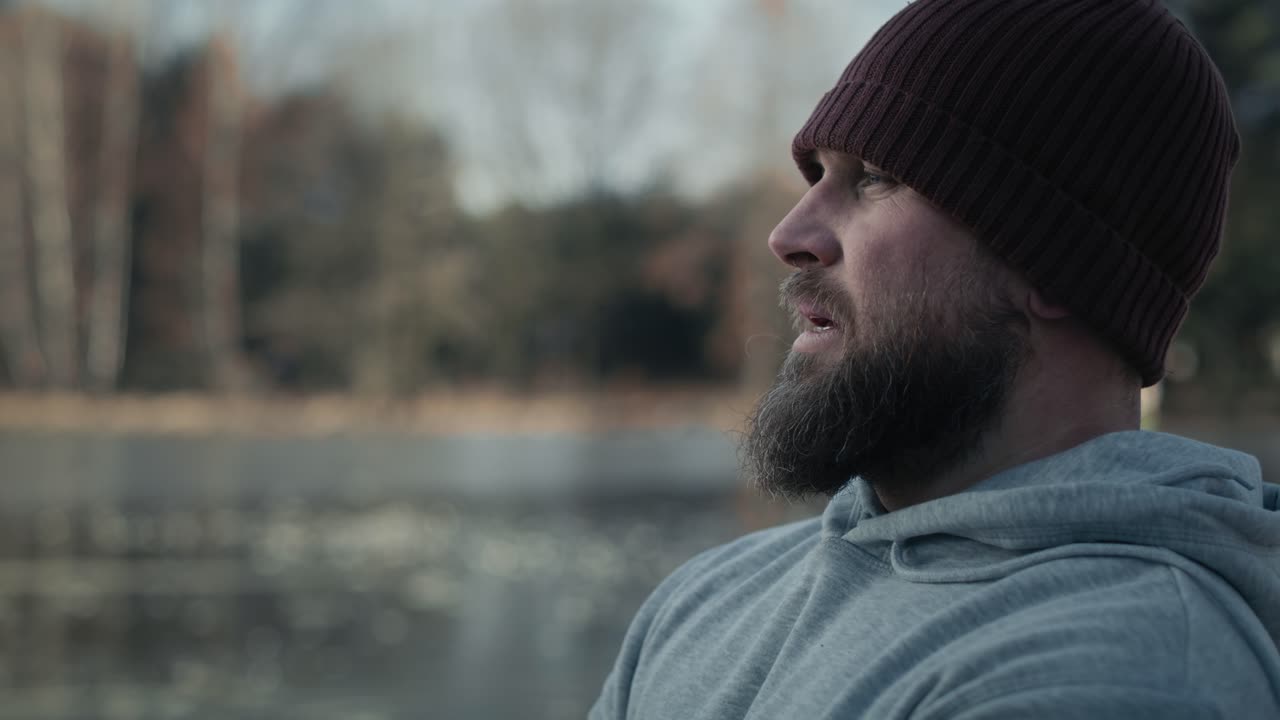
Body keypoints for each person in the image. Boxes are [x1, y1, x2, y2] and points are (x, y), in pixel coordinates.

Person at [591, 0, 1280, 717]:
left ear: (1049, 264)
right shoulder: (706, 598)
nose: (789, 234)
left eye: (876, 178)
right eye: (816, 175)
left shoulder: (1114, 674)